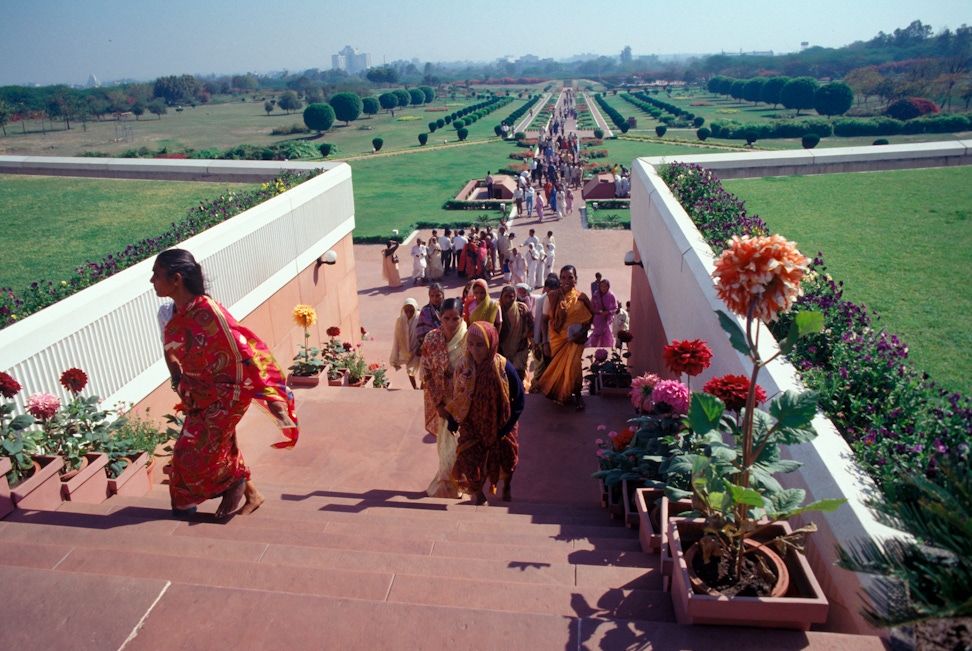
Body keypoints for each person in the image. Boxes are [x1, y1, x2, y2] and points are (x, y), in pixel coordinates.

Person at [151, 249, 298, 519]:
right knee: (218, 446)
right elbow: (169, 349)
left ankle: (194, 505)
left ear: (176, 279)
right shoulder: (167, 313)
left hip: (226, 395)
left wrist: (273, 398)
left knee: (188, 453)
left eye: (157, 275)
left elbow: (247, 352)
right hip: (195, 394)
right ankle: (251, 493)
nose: (152, 281)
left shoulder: (210, 313)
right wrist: (177, 381)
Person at [441, 322, 523, 504]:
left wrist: (506, 428)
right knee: (468, 460)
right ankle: (479, 495)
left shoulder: (503, 368)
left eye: (480, 345)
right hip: (473, 424)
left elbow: (519, 400)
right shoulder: (464, 367)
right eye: (470, 344)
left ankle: (506, 486)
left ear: (491, 344)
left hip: (500, 425)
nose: (474, 350)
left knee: (507, 461)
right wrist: (453, 420)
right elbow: (458, 397)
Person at [421, 298, 468, 498]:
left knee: (460, 445)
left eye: (455, 318)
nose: (450, 323)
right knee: (445, 446)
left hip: (464, 402)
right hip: (442, 401)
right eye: (446, 318)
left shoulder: (469, 338)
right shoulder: (432, 339)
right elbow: (427, 372)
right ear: (440, 317)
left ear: (462, 317)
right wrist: (439, 403)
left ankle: (456, 483)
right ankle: (446, 484)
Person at [538, 265, 594, 410]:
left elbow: (589, 320)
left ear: (576, 279)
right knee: (560, 370)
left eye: (570, 277)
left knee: (574, 366)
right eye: (563, 277)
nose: (567, 280)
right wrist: (545, 342)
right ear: (560, 279)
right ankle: (561, 394)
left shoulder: (582, 298)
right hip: (557, 340)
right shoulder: (552, 297)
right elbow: (544, 320)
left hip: (575, 341)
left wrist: (581, 334)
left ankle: (578, 395)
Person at [529, 274, 560, 393]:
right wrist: (536, 343)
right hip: (543, 340)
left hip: (556, 339)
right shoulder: (541, 300)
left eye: (554, 289)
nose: (551, 292)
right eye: (549, 289)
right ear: (545, 289)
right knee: (542, 368)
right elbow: (538, 322)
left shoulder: (560, 300)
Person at [498, 286, 534, 380]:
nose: (508, 299)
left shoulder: (522, 309)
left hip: (519, 349)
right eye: (505, 296)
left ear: (515, 297)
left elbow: (529, 328)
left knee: (518, 377)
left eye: (511, 296)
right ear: (501, 297)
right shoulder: (497, 310)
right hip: (502, 349)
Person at [390, 297, 421, 389]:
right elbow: (397, 336)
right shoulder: (400, 320)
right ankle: (415, 387)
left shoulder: (419, 317)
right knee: (410, 370)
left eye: (411, 310)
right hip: (408, 350)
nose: (408, 313)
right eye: (406, 310)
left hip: (419, 348)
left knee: (423, 370)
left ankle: (423, 386)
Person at [586, 278, 618, 349]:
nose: (603, 288)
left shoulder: (611, 296)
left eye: (605, 287)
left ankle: (606, 349)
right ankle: (593, 346)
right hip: (598, 318)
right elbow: (592, 306)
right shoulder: (596, 295)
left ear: (608, 287)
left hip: (607, 319)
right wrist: (598, 311)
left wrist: (608, 312)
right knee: (597, 334)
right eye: (601, 286)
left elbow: (615, 307)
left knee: (607, 334)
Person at [415, 283, 445, 355]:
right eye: (432, 296)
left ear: (443, 295)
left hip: (447, 344)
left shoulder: (448, 308)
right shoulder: (425, 310)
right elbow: (421, 329)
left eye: (438, 295)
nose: (435, 298)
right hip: (430, 346)